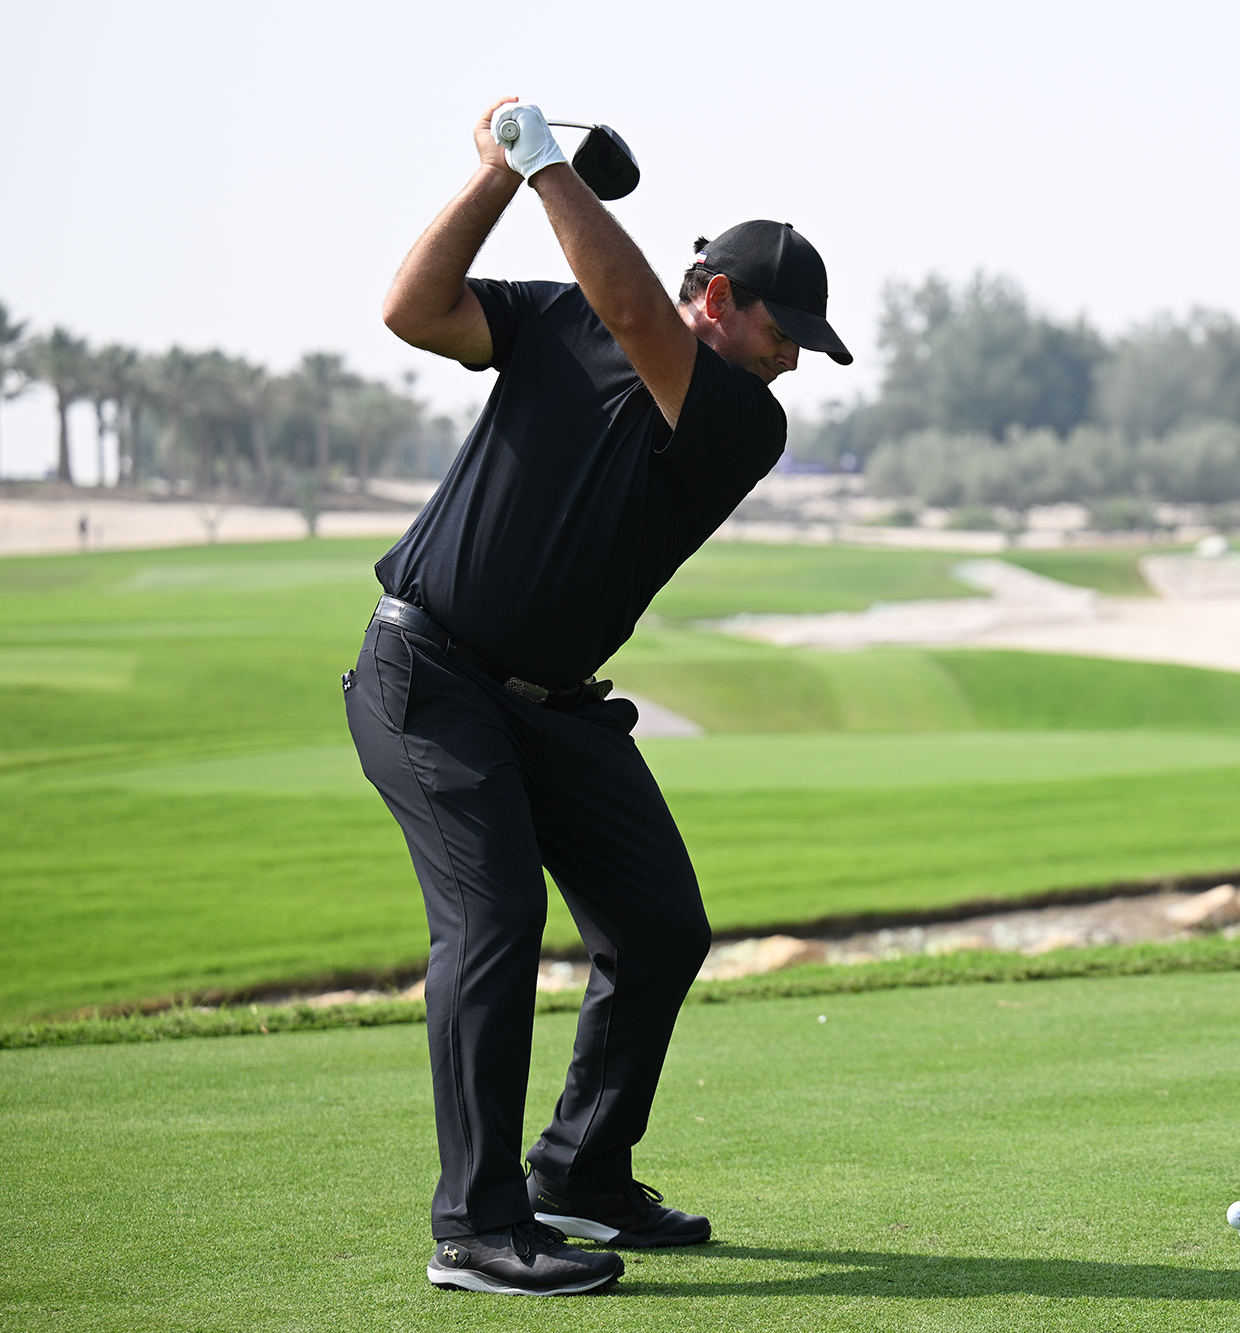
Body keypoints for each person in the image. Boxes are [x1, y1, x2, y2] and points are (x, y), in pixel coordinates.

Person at [346, 97, 851, 1297]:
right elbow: (411, 309)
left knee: (660, 925)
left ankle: (578, 1170)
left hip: (553, 708)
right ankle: (476, 1226)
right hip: (430, 677)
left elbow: (633, 312)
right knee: (495, 917)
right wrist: (498, 175)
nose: (793, 359)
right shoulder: (556, 317)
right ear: (718, 297)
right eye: (785, 331)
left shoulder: (743, 420)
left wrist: (546, 166)